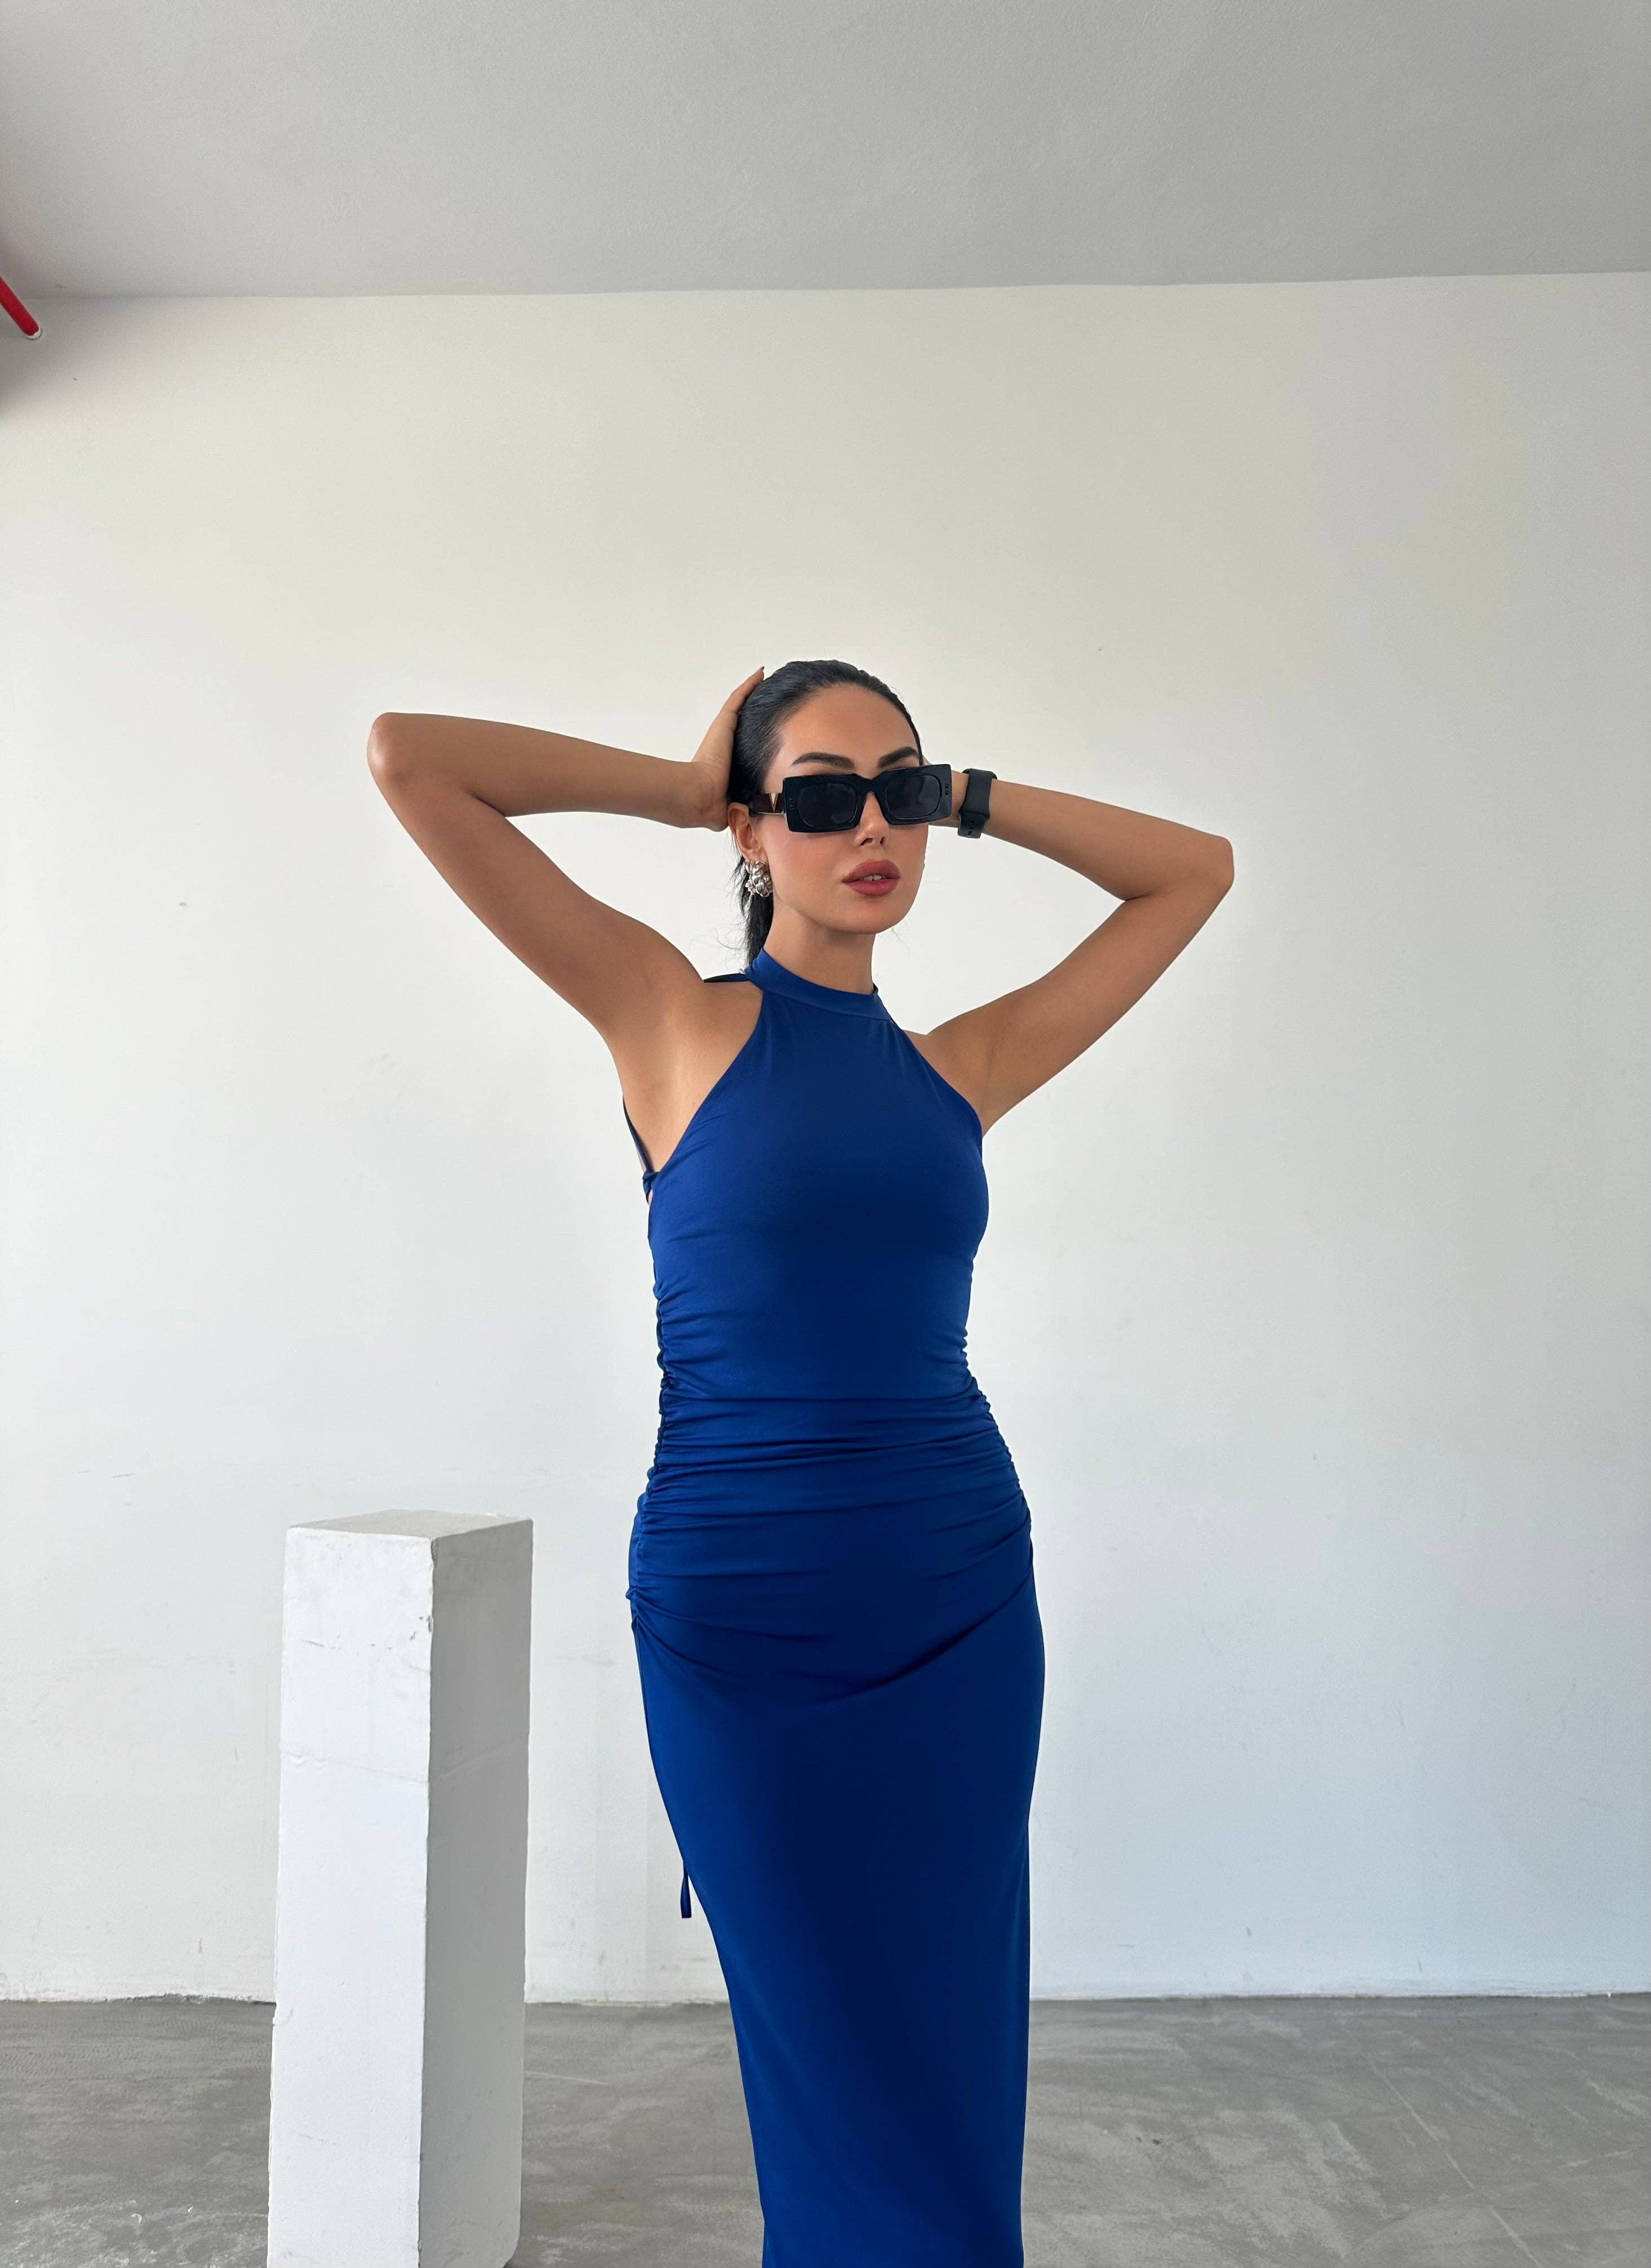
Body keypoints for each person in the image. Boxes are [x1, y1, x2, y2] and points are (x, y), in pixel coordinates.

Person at [366, 660, 1233, 2265]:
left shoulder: (960, 1067)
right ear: (755, 829)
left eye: (899, 791)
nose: (872, 827)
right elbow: (411, 758)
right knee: (827, 2056)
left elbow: (1194, 871)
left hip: (958, 1609)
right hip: (741, 1621)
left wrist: (968, 796)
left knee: (947, 2061)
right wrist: (671, 789)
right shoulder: (670, 1015)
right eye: (823, 797)